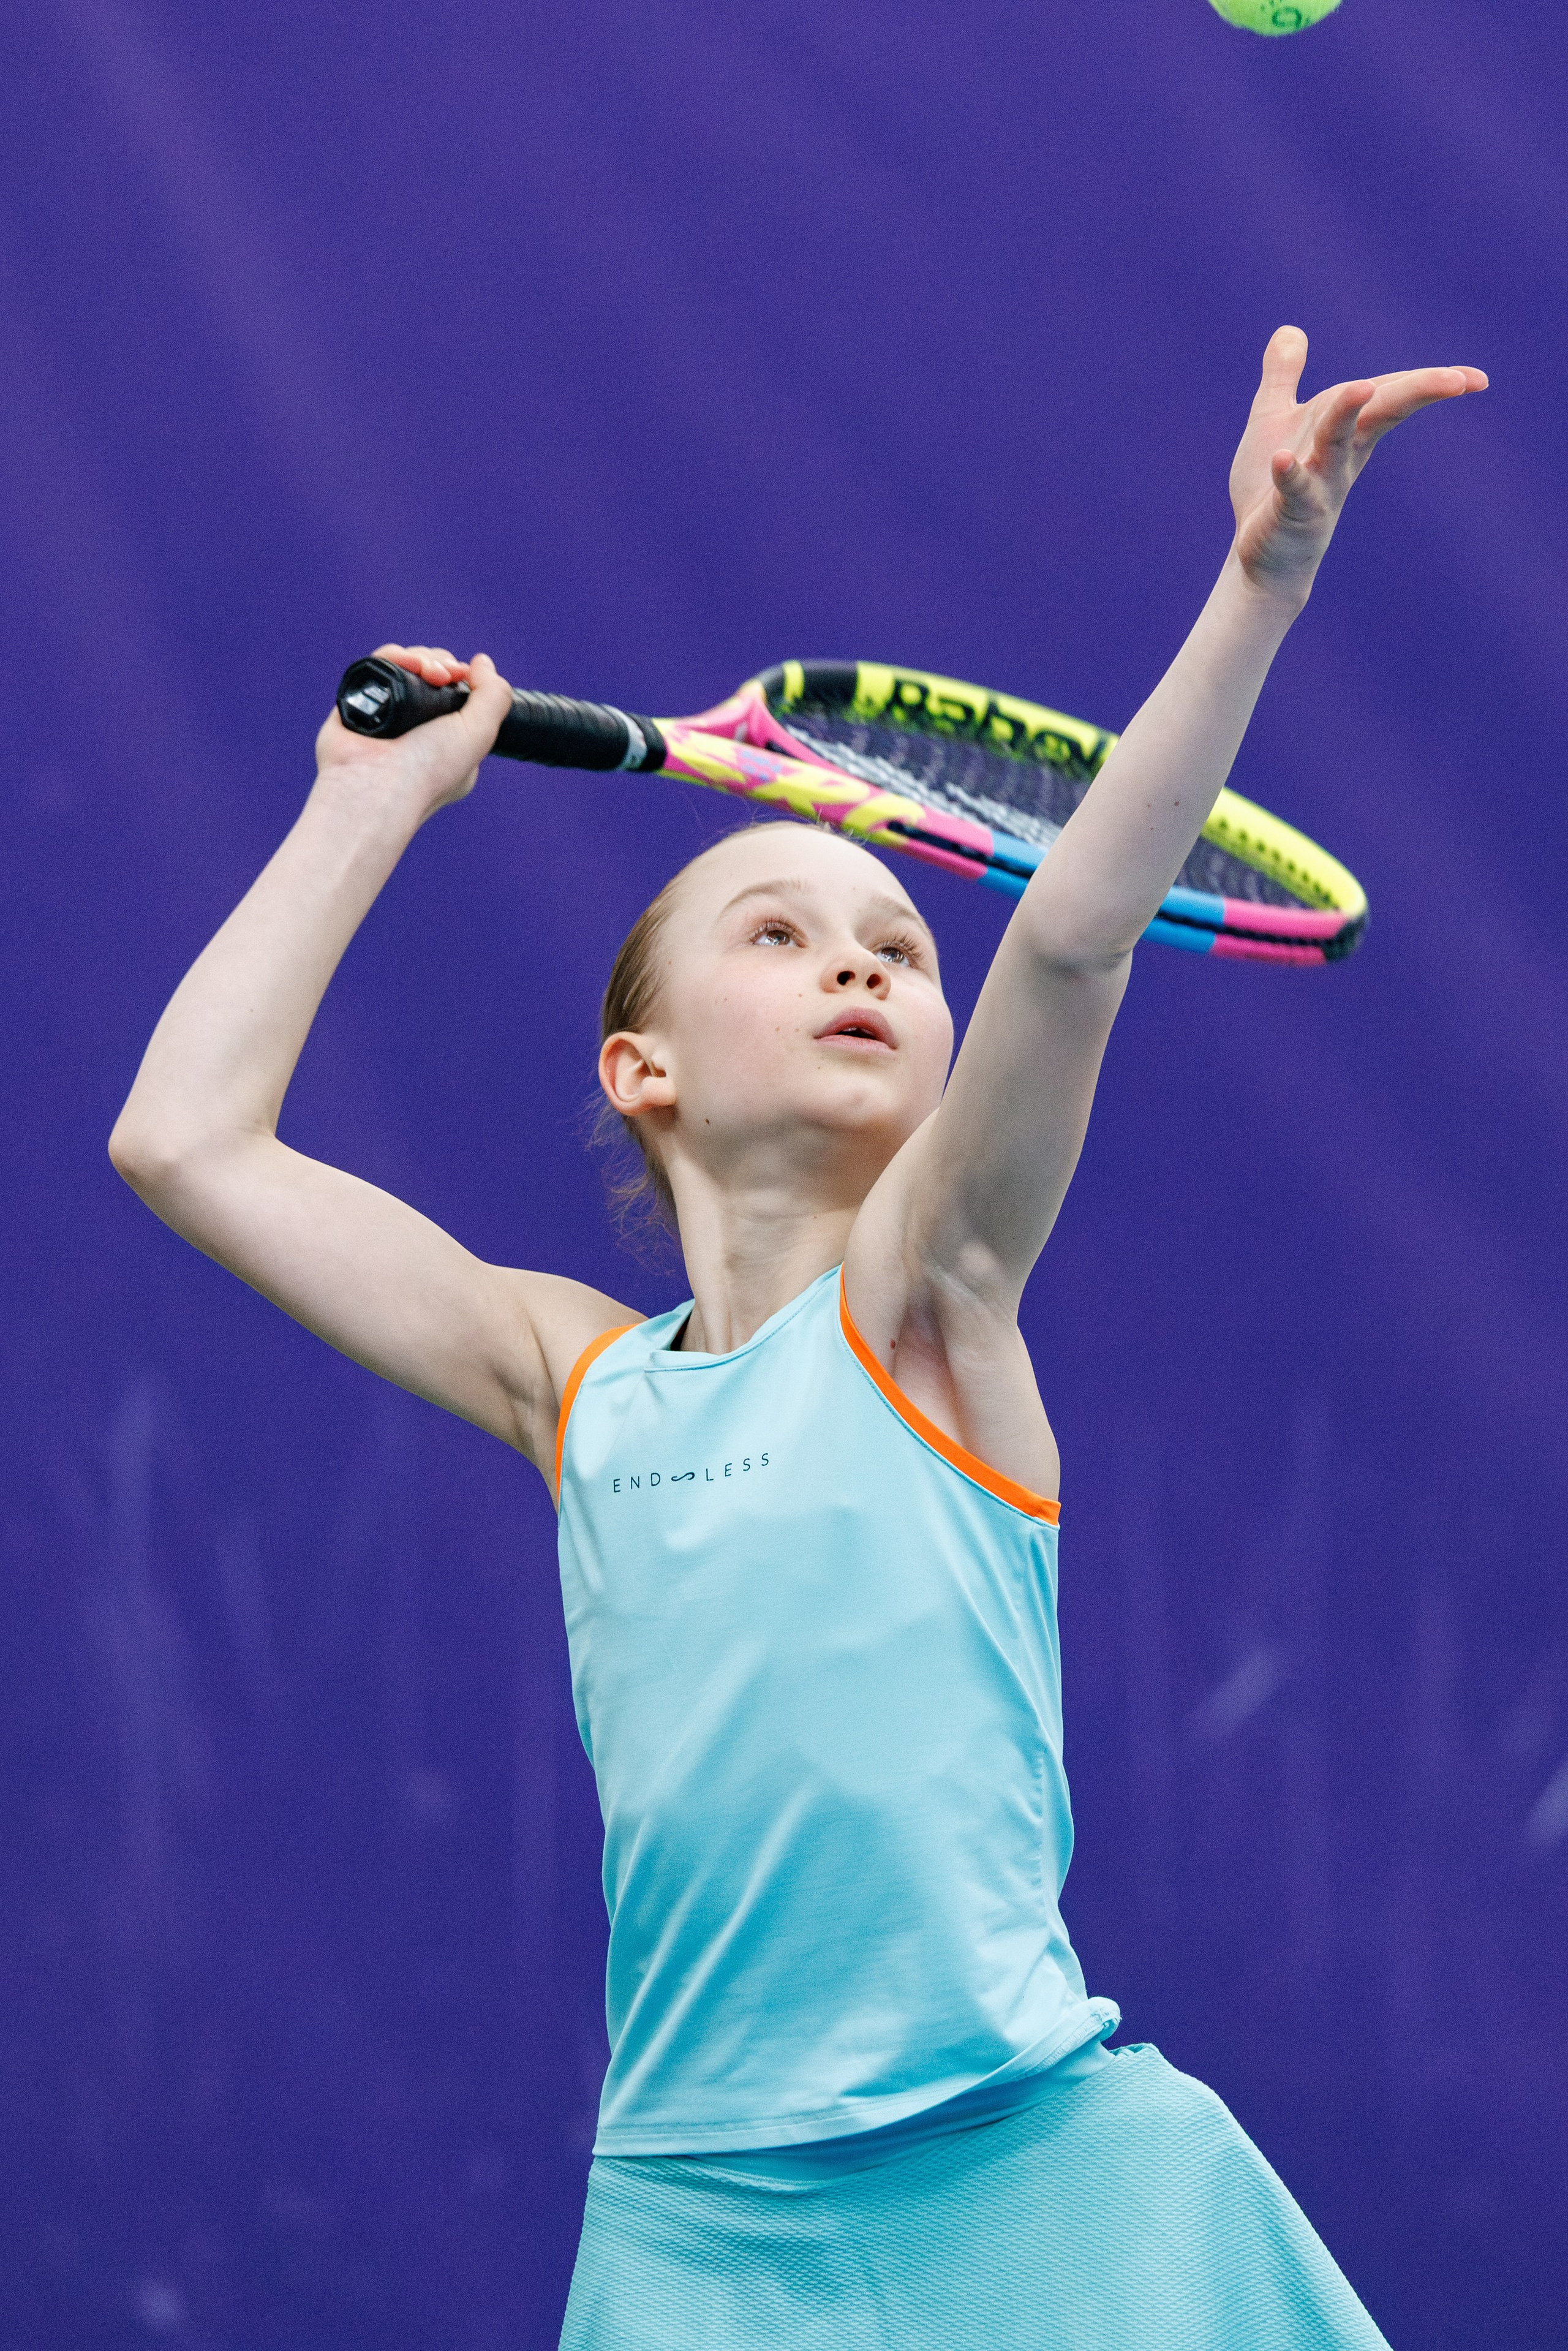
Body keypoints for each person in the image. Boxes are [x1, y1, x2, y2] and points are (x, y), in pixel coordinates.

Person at [111, 328, 1484, 2347]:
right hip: (695, 2236)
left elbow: (1081, 928)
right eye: (779, 930)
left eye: (899, 947)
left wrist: (1256, 589)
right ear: (638, 1064)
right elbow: (186, 1137)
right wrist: (373, 799)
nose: (860, 954)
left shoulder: (931, 1294)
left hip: (1046, 2185)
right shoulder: (574, 1384)